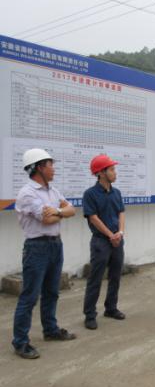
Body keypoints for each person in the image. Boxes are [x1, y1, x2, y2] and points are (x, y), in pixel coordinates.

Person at [12, 148, 76, 359]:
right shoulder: (27, 193)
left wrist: (57, 211)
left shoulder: (53, 191)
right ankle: (20, 342)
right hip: (37, 248)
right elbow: (46, 220)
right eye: (50, 164)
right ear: (39, 167)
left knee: (52, 292)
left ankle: (50, 330)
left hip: (56, 245)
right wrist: (61, 212)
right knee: (30, 296)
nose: (54, 168)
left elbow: (72, 210)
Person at [82, 155, 126, 330]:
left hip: (117, 240)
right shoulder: (90, 194)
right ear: (100, 173)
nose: (115, 172)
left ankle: (111, 308)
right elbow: (93, 218)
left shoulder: (117, 193)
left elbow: (121, 213)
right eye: (111, 169)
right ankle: (90, 315)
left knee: (115, 276)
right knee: (96, 278)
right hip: (101, 242)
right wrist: (110, 235)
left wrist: (120, 233)